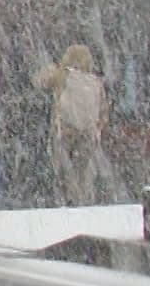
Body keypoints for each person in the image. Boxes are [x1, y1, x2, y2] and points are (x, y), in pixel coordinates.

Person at [33, 43, 107, 205]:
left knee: (63, 170)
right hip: (88, 132)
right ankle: (83, 200)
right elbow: (103, 112)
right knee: (83, 171)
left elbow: (39, 82)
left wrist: (49, 69)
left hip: (65, 130)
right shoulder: (96, 82)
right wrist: (96, 129)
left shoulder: (63, 75)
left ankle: (67, 200)